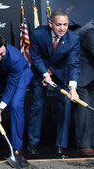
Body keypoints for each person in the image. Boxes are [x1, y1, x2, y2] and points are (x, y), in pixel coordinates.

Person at [27, 9, 80, 158]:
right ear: (50, 24)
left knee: (66, 104)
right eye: (58, 24)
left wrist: (73, 88)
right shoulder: (38, 34)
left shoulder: (73, 39)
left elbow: (73, 64)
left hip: (61, 74)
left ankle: (61, 146)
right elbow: (35, 57)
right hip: (41, 72)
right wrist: (45, 74)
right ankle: (33, 143)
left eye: (65, 24)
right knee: (38, 105)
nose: (62, 28)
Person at [74, 19, 94, 156]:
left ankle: (90, 143)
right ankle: (83, 145)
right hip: (83, 78)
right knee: (84, 112)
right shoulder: (89, 31)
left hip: (91, 77)